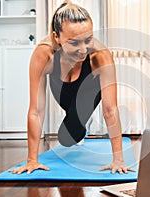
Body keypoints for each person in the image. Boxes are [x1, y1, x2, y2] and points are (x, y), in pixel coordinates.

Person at [10, 1, 135, 175]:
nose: (83, 49)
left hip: (89, 91)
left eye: (88, 40)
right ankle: (78, 118)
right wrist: (32, 160)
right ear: (56, 37)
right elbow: (36, 110)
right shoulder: (44, 54)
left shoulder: (100, 56)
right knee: (67, 137)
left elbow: (110, 109)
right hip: (63, 90)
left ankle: (83, 119)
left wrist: (118, 160)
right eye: (74, 43)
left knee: (67, 138)